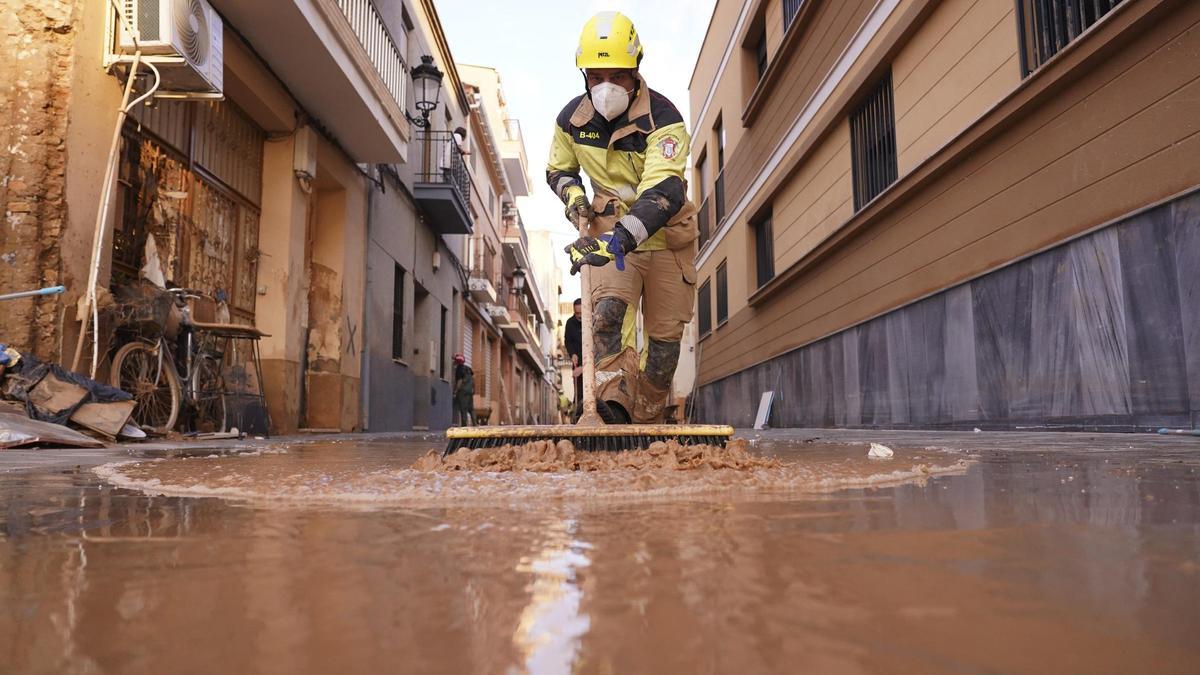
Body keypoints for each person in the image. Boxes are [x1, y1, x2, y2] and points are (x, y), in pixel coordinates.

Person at [548, 11, 698, 425]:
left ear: (636, 72)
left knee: (665, 346)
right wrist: (575, 197)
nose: (606, 87)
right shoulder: (571, 121)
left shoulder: (664, 119)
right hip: (608, 236)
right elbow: (559, 170)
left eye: (617, 76)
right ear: (584, 77)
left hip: (665, 240)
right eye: (595, 78)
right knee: (606, 318)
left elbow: (664, 191)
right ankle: (612, 411)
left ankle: (648, 417)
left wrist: (617, 239)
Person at [563, 298, 584, 422]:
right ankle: (578, 418)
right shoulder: (570, 323)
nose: (580, 316)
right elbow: (568, 341)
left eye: (582, 313)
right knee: (579, 392)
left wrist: (584, 367)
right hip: (577, 361)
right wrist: (572, 354)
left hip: (592, 363)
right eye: (577, 314)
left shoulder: (592, 321)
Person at [452, 353, 474, 426]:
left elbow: (459, 381)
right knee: (471, 409)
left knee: (463, 409)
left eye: (455, 361)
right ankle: (475, 424)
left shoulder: (459, 369)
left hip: (463, 392)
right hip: (470, 391)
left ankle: (464, 426)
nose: (454, 363)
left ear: (457, 362)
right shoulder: (468, 368)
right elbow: (473, 379)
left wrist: (455, 392)